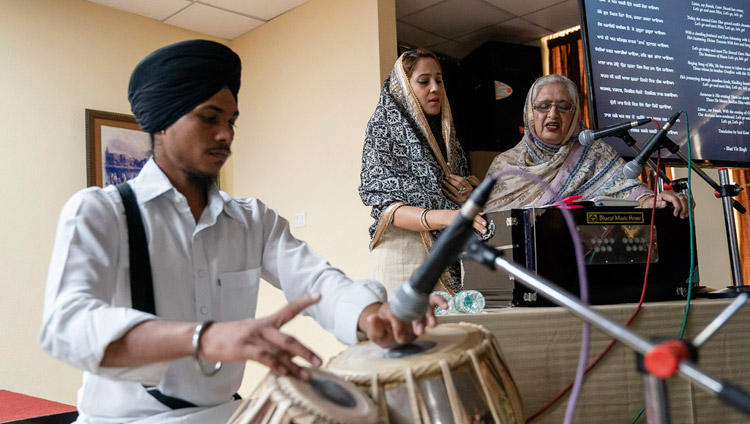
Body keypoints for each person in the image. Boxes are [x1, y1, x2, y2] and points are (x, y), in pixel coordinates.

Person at [40, 40, 446, 424]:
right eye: (209, 117)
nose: (226, 134)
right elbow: (67, 325)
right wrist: (203, 338)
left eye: (231, 120)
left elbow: (315, 280)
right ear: (162, 122)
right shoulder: (99, 212)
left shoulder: (251, 221)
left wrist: (370, 314)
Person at [359, 48, 487, 297]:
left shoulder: (447, 137)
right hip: (403, 257)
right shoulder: (382, 129)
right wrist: (450, 217)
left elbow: (460, 190)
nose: (435, 88)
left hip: (448, 255)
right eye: (424, 81)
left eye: (439, 80)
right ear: (403, 87)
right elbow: (387, 209)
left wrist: (467, 193)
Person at [484, 73, 691, 216]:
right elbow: (490, 226)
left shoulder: (595, 152)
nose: (553, 114)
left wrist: (650, 201)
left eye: (564, 107)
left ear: (575, 115)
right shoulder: (504, 165)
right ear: (530, 113)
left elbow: (628, 189)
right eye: (544, 106)